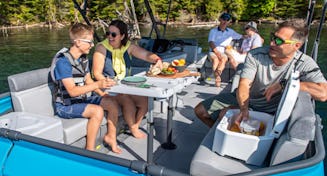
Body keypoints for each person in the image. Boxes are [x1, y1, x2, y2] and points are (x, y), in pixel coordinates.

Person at [195, 19, 327, 128]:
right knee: (200, 111)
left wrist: (286, 84)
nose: (272, 43)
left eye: (279, 41)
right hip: (248, 100)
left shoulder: (304, 62)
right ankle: (217, 133)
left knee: (225, 113)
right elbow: (244, 84)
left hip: (271, 110)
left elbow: (323, 94)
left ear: (296, 46)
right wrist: (243, 109)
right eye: (273, 37)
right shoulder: (256, 55)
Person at [51, 23, 122, 153]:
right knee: (97, 111)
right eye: (89, 42)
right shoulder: (63, 62)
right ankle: (89, 150)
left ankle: (111, 137)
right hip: (65, 106)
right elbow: (72, 91)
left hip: (81, 100)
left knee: (112, 102)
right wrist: (98, 84)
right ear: (77, 42)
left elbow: (88, 80)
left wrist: (103, 94)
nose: (92, 45)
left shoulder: (83, 59)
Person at [92, 19, 163, 139]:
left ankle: (135, 125)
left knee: (145, 101)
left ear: (122, 36)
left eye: (114, 34)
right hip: (107, 87)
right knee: (127, 101)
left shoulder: (128, 47)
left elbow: (146, 55)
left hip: (125, 87)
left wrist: (157, 60)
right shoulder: (101, 49)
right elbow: (97, 74)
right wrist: (111, 84)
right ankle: (133, 129)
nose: (110, 37)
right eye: (108, 33)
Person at [208, 13, 242, 87]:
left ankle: (217, 76)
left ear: (229, 22)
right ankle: (217, 77)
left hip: (224, 51)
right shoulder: (213, 31)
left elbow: (242, 37)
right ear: (220, 19)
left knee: (223, 59)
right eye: (223, 19)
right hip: (213, 50)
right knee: (215, 60)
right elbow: (211, 42)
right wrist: (217, 52)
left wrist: (257, 37)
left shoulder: (230, 31)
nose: (225, 22)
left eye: (227, 20)